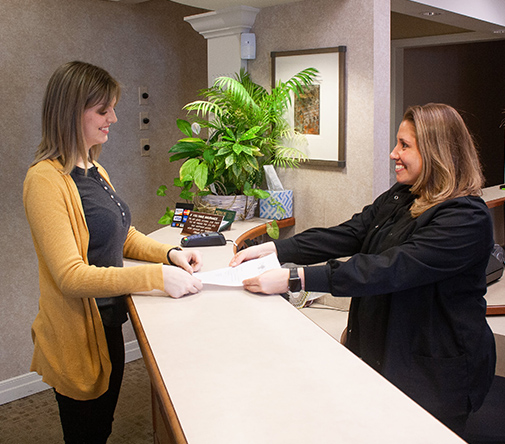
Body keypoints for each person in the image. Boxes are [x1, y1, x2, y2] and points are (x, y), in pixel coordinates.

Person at [230, 103, 496, 437]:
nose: (393, 153)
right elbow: (352, 233)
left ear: (436, 152)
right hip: (384, 347)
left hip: (433, 370)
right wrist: (277, 248)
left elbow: (389, 269)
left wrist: (296, 278)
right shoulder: (404, 195)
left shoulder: (466, 218)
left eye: (404, 145)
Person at [23, 61, 203, 443]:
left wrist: (169, 254)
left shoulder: (94, 169)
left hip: (109, 324)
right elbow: (70, 276)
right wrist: (156, 277)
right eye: (103, 110)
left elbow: (121, 235)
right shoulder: (44, 180)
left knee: (100, 428)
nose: (115, 119)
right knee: (86, 435)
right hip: (76, 335)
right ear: (72, 111)